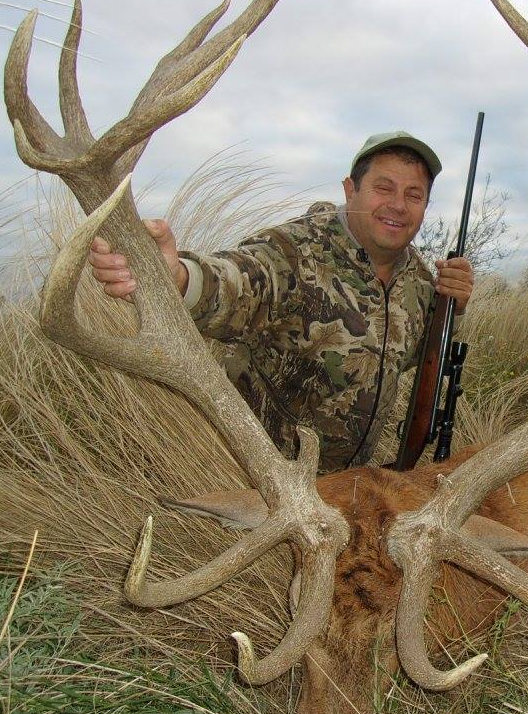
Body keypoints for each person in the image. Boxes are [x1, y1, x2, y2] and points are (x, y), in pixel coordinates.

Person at [88, 131, 475, 472]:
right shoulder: (292, 251)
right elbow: (238, 281)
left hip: (345, 486)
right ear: (350, 189)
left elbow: (404, 357)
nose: (398, 205)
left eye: (414, 195)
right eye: (383, 188)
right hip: (252, 476)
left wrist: (450, 309)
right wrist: (177, 277)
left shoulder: (423, 282)